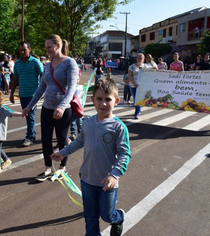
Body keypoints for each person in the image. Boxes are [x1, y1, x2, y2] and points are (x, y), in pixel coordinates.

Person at [51, 78, 130, 236]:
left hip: (107, 183)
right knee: (91, 217)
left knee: (107, 215)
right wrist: (63, 152)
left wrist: (114, 175)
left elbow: (124, 153)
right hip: (87, 179)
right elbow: (80, 141)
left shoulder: (118, 127)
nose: (103, 104)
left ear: (116, 101)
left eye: (108, 99)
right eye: (99, 99)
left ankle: (118, 218)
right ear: (93, 100)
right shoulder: (87, 122)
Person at [22, 34, 78, 181]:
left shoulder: (69, 63)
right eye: (46, 48)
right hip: (47, 108)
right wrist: (29, 106)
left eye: (49, 47)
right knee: (46, 139)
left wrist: (61, 106)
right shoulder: (48, 65)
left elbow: (72, 88)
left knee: (61, 140)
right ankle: (47, 168)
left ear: (58, 45)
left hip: (63, 110)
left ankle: (62, 168)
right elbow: (41, 89)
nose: (47, 50)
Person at [10, 41, 44, 147]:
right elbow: (15, 78)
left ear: (29, 49)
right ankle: (32, 134)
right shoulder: (17, 63)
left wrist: (43, 91)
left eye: (24, 49)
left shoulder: (35, 62)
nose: (22, 52)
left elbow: (43, 75)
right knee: (26, 115)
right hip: (22, 94)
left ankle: (30, 136)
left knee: (30, 115)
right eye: (20, 50)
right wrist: (11, 93)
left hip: (33, 94)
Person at [128, 53, 147, 119]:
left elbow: (149, 75)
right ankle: (138, 110)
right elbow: (130, 76)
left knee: (139, 99)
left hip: (142, 86)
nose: (139, 59)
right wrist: (134, 83)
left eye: (140, 58)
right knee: (135, 99)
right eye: (138, 58)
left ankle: (137, 112)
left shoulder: (145, 66)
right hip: (133, 85)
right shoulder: (132, 66)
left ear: (143, 59)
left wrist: (143, 70)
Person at [69, 68, 83, 141]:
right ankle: (73, 133)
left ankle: (80, 133)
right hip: (72, 106)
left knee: (79, 121)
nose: (76, 80)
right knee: (72, 121)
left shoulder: (80, 87)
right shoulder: (71, 87)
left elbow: (82, 95)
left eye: (77, 79)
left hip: (78, 107)